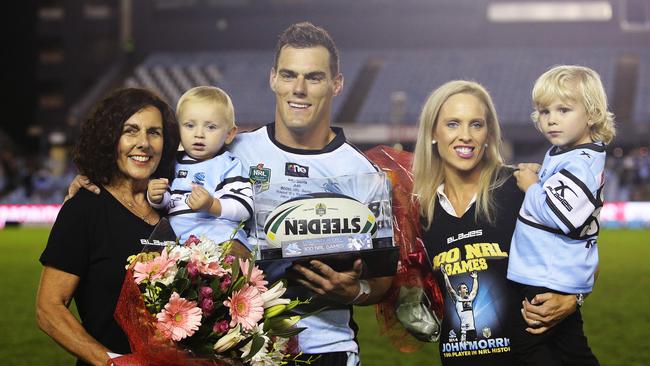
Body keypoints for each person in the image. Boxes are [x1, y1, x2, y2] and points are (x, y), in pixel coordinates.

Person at [66, 22, 392, 366]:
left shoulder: (361, 172)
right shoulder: (227, 148)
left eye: (313, 77)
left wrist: (355, 291)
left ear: (336, 84)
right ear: (273, 79)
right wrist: (94, 182)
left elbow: (382, 279)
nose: (298, 88)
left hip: (325, 349)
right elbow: (144, 174)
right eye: (288, 75)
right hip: (236, 349)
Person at [411, 80, 579, 366]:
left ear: (488, 133)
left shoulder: (521, 188)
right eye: (453, 124)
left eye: (476, 125)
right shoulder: (420, 212)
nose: (465, 136)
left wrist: (574, 298)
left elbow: (584, 253)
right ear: (432, 133)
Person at [36, 88, 179, 366]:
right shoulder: (84, 209)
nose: (143, 143)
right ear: (110, 138)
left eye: (154, 132)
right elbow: (48, 309)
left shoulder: (176, 208)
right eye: (130, 131)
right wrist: (112, 362)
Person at [506, 65, 616, 366]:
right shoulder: (568, 153)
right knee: (570, 349)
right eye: (543, 111)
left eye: (564, 109)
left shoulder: (581, 161)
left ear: (592, 114)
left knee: (526, 346)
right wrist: (542, 179)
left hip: (547, 272)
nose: (551, 119)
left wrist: (532, 187)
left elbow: (558, 215)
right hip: (550, 268)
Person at [147, 86, 252, 244]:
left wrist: (211, 205)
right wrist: (156, 196)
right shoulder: (171, 162)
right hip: (178, 242)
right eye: (190, 125)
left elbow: (244, 208)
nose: (199, 134)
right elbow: (168, 203)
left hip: (220, 240)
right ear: (178, 129)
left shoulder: (229, 164)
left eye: (210, 127)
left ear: (229, 134)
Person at [442, 267, 478, 342]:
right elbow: (450, 289)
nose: (466, 289)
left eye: (466, 288)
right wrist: (445, 275)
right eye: (464, 288)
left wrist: (475, 278)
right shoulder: (457, 299)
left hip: (472, 330)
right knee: (465, 351)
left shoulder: (469, 299)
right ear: (459, 291)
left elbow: (474, 290)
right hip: (464, 332)